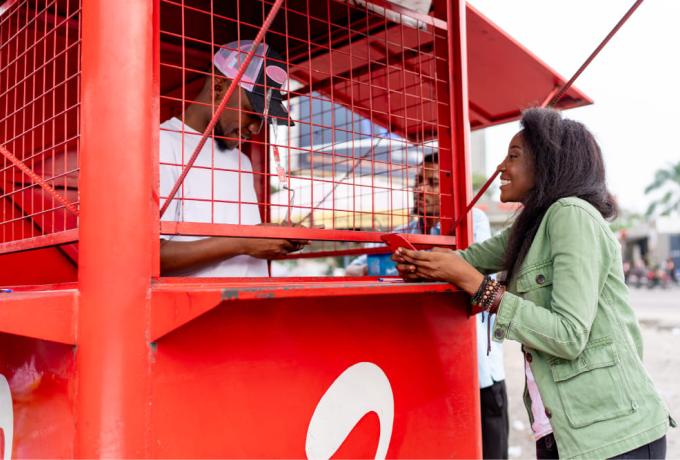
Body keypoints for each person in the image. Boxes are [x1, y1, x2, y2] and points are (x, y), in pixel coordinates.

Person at [393, 108, 674, 459]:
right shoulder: (531, 226)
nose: (500, 167)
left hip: (613, 436)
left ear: (547, 163)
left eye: (513, 156)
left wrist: (481, 288)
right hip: (564, 432)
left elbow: (569, 335)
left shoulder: (571, 214)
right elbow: (467, 260)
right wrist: (422, 264)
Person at [346, 153, 509, 459]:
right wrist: (391, 265)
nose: (421, 189)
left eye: (432, 182)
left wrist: (422, 264)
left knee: (489, 450)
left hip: (477, 369)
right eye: (418, 180)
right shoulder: (407, 230)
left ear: (451, 190)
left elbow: (474, 275)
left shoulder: (471, 222)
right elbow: (356, 269)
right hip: (426, 366)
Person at [159, 40, 307, 276]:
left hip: (251, 298)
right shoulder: (162, 144)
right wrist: (244, 243)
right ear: (219, 87)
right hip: (200, 301)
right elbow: (148, 254)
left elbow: (241, 241)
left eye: (263, 119)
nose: (256, 128)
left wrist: (269, 237)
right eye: (252, 113)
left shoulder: (241, 161)